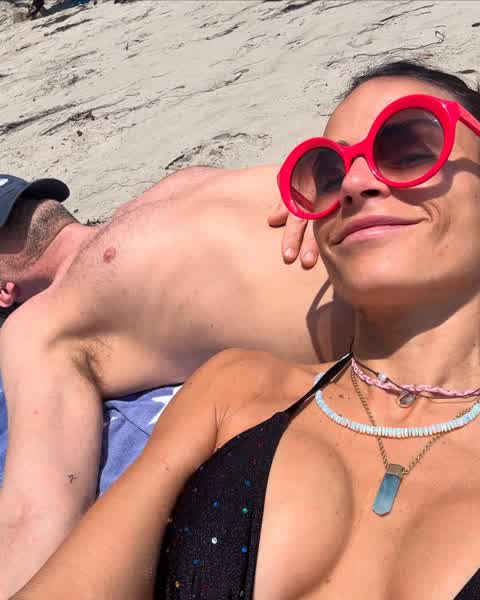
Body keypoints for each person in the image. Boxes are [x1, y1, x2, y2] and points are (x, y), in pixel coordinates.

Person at [12, 59, 480, 600]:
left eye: (409, 148)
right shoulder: (40, 330)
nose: (353, 182)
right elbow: (30, 518)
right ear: (4, 290)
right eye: (329, 172)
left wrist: (313, 187)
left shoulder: (172, 192)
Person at [0, 158, 352, 595]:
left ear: (4, 292)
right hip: (394, 220)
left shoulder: (43, 321)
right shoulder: (176, 187)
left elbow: (35, 517)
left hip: (390, 313)